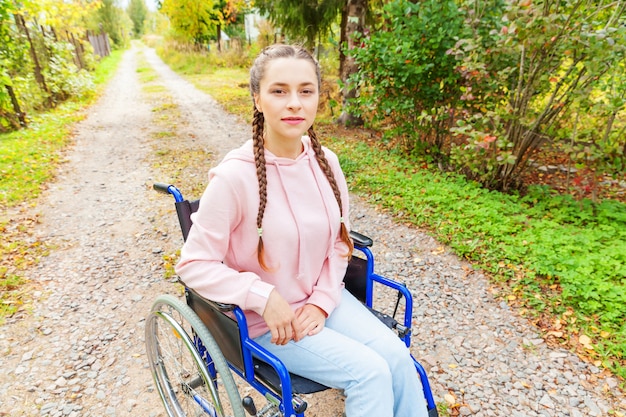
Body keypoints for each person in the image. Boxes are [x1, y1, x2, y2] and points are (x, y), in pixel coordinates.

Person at [175, 44, 428, 417]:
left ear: (317, 99)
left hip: (323, 301)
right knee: (369, 373)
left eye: (305, 91)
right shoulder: (234, 177)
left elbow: (340, 244)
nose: (294, 103)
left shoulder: (327, 164)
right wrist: (262, 296)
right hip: (269, 322)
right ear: (257, 99)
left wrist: (323, 301)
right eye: (279, 91)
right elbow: (193, 264)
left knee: (397, 357)